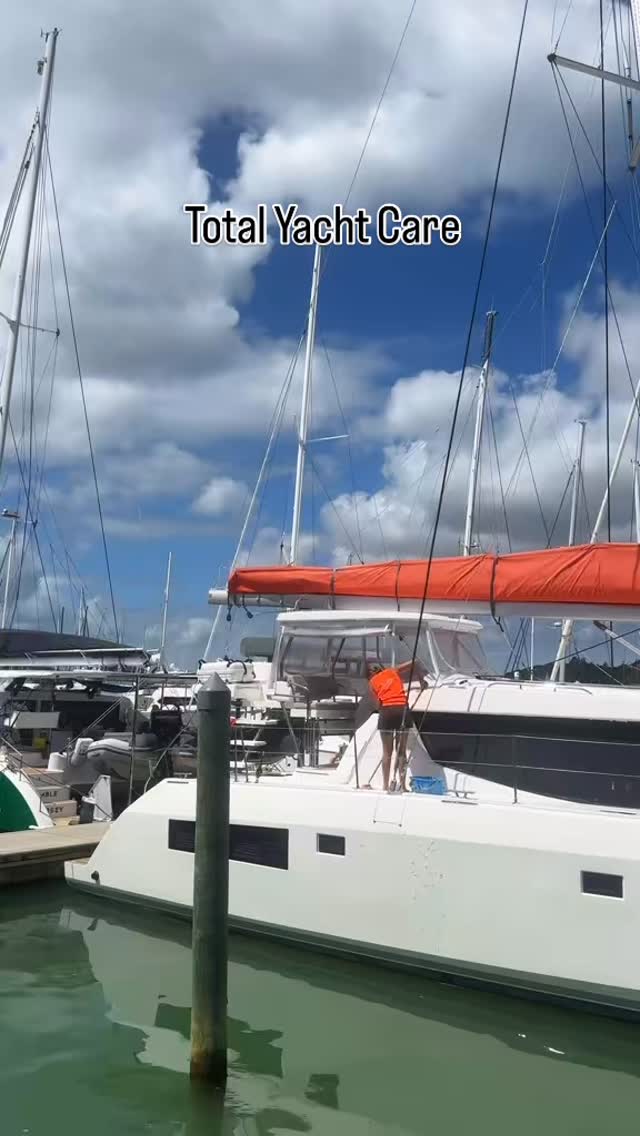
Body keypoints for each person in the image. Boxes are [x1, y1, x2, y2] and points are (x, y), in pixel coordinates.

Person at [367, 660, 419, 792]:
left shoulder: (372, 682)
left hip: (387, 712)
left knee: (387, 753)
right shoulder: (392, 671)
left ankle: (385, 786)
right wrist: (421, 680)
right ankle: (403, 786)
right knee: (401, 752)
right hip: (402, 709)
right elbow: (414, 662)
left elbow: (377, 705)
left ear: (371, 673)